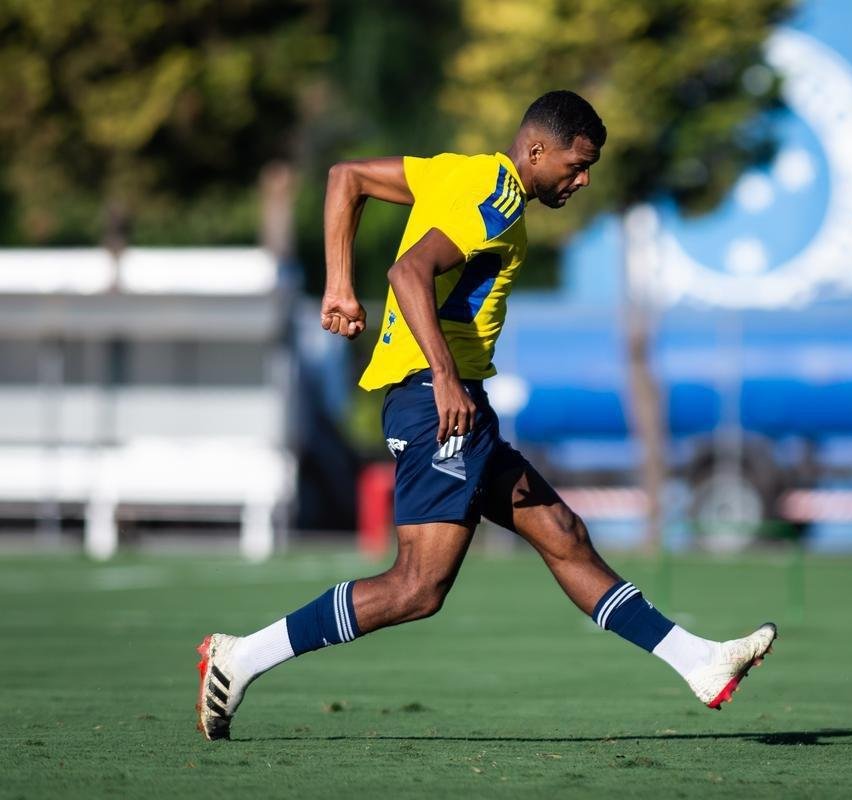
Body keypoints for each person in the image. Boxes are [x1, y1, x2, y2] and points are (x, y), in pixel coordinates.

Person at [195, 90, 776, 741]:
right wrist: (444, 377)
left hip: (452, 399)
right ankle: (241, 656)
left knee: (563, 532)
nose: (582, 180)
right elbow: (409, 273)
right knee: (417, 586)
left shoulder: (463, 170)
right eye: (575, 165)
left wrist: (336, 283)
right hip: (435, 401)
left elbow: (346, 178)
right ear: (535, 150)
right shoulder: (495, 203)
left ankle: (698, 662)